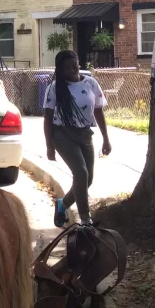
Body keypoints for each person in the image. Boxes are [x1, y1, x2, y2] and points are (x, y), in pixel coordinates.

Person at [44, 50, 112, 227]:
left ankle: (63, 204)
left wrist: (106, 139)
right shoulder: (55, 88)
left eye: (74, 66)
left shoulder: (91, 83)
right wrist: (49, 146)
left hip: (85, 134)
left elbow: (98, 111)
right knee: (81, 173)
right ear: (60, 70)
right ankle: (85, 218)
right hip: (62, 134)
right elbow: (48, 118)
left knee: (88, 179)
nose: (72, 71)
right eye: (67, 68)